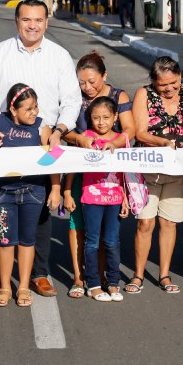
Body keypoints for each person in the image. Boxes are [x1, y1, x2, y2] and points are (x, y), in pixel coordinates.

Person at [0, 0, 80, 299]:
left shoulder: (59, 56)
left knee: (40, 211)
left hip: (44, 142)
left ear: (47, 22)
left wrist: (60, 131)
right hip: (4, 144)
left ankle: (38, 275)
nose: (32, 25)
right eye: (26, 20)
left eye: (38, 20)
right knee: (1, 210)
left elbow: (71, 99)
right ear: (17, 22)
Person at [129, 57, 183, 295]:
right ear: (154, 82)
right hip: (148, 169)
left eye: (174, 82)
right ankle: (138, 274)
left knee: (169, 222)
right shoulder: (144, 94)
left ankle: (164, 274)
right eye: (163, 85)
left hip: (178, 170)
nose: (170, 88)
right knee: (145, 222)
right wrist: (164, 143)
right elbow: (140, 133)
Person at [62, 52, 135, 297]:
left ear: (104, 76)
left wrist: (115, 144)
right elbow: (64, 130)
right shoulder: (74, 96)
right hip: (81, 167)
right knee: (78, 227)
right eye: (82, 82)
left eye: (92, 81)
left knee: (107, 236)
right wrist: (80, 138)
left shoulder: (118, 96)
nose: (87, 87)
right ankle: (80, 279)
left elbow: (130, 130)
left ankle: (104, 278)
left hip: (111, 177)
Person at [0, 83, 62, 307]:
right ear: (13, 110)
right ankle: (4, 287)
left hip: (33, 192)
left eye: (36, 107)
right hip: (4, 193)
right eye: (28, 109)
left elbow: (53, 157)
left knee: (27, 241)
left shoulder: (42, 127)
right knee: (5, 241)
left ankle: (22, 287)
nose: (35, 112)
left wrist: (56, 189)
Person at [72, 96, 128, 302]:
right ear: (90, 118)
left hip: (115, 199)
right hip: (91, 199)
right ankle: (93, 284)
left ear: (115, 117)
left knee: (112, 241)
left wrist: (125, 199)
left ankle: (113, 283)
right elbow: (72, 165)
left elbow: (124, 173)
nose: (101, 122)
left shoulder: (121, 140)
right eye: (96, 118)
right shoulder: (86, 138)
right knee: (92, 241)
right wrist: (67, 192)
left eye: (106, 117)